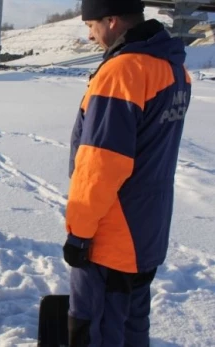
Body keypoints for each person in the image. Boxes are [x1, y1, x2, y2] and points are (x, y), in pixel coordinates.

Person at [63, 0, 191, 345]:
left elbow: (101, 164)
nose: (90, 36)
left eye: (91, 26)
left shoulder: (123, 72)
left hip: (111, 231)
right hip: (148, 224)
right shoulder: (174, 69)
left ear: (112, 20)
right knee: (133, 322)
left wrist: (79, 232)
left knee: (94, 327)